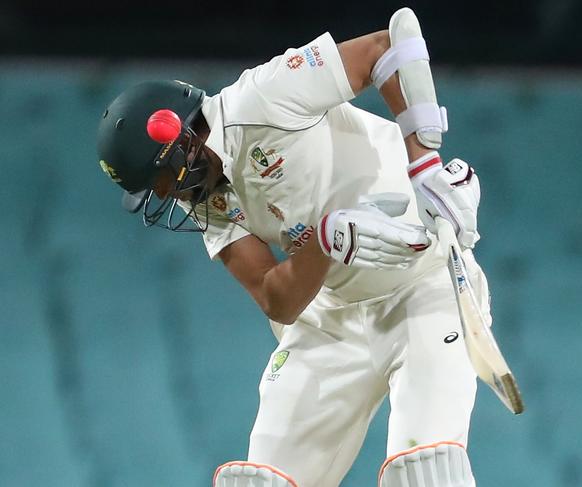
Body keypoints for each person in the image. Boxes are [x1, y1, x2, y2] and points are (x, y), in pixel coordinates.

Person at [96, 7, 490, 487]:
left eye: (160, 181)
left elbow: (385, 48)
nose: (166, 196)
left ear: (178, 135)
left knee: (426, 473)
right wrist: (324, 243)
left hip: (423, 282)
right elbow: (273, 296)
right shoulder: (204, 198)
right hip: (331, 317)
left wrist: (424, 165)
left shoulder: (263, 96)